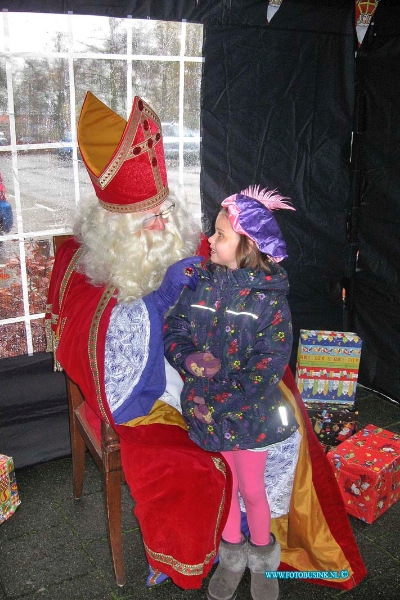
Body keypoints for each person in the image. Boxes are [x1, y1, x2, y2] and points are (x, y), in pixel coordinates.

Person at [47, 91, 366, 593]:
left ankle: (264, 554)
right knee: (185, 470)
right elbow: (125, 365)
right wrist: (174, 333)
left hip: (233, 392)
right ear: (114, 232)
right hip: (152, 391)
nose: (162, 224)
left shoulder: (207, 256)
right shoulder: (107, 275)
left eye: (164, 210)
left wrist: (225, 373)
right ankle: (190, 555)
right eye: (145, 220)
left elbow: (262, 340)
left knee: (277, 440)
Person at [164, 186, 367, 600]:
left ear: (247, 245)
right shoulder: (199, 282)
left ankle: (263, 562)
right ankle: (231, 558)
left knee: (251, 489)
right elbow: (175, 327)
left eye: (221, 234)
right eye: (214, 233)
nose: (211, 240)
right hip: (206, 407)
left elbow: (267, 368)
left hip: (250, 415)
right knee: (229, 486)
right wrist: (189, 360)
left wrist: (214, 402)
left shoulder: (270, 301)